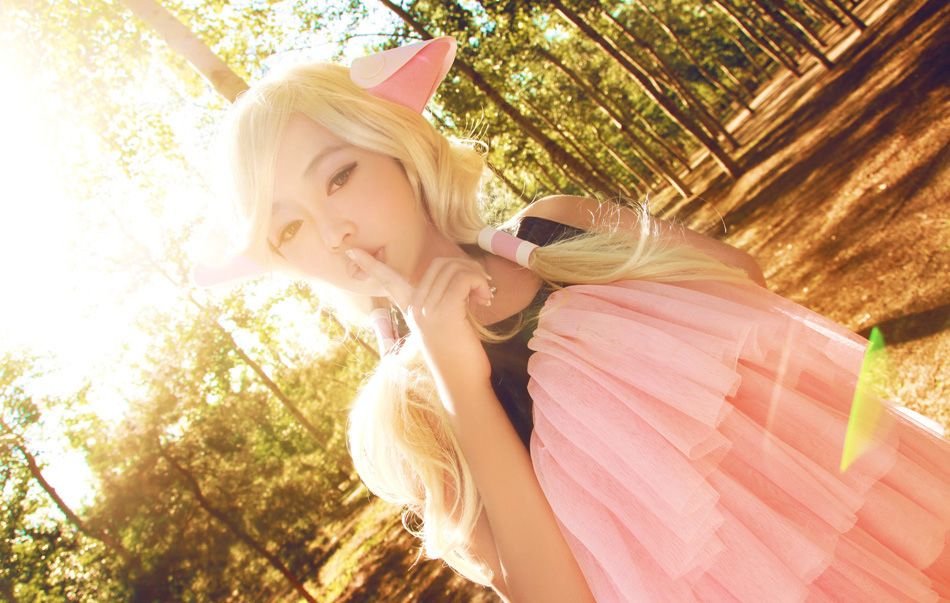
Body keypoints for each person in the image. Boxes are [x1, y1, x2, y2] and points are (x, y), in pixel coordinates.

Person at [193, 37, 950, 602]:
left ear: (393, 149)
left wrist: (597, 285)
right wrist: (458, 380)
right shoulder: (409, 418)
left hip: (856, 506)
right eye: (288, 227)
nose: (333, 233)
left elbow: (743, 281)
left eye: (338, 176)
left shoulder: (553, 228)